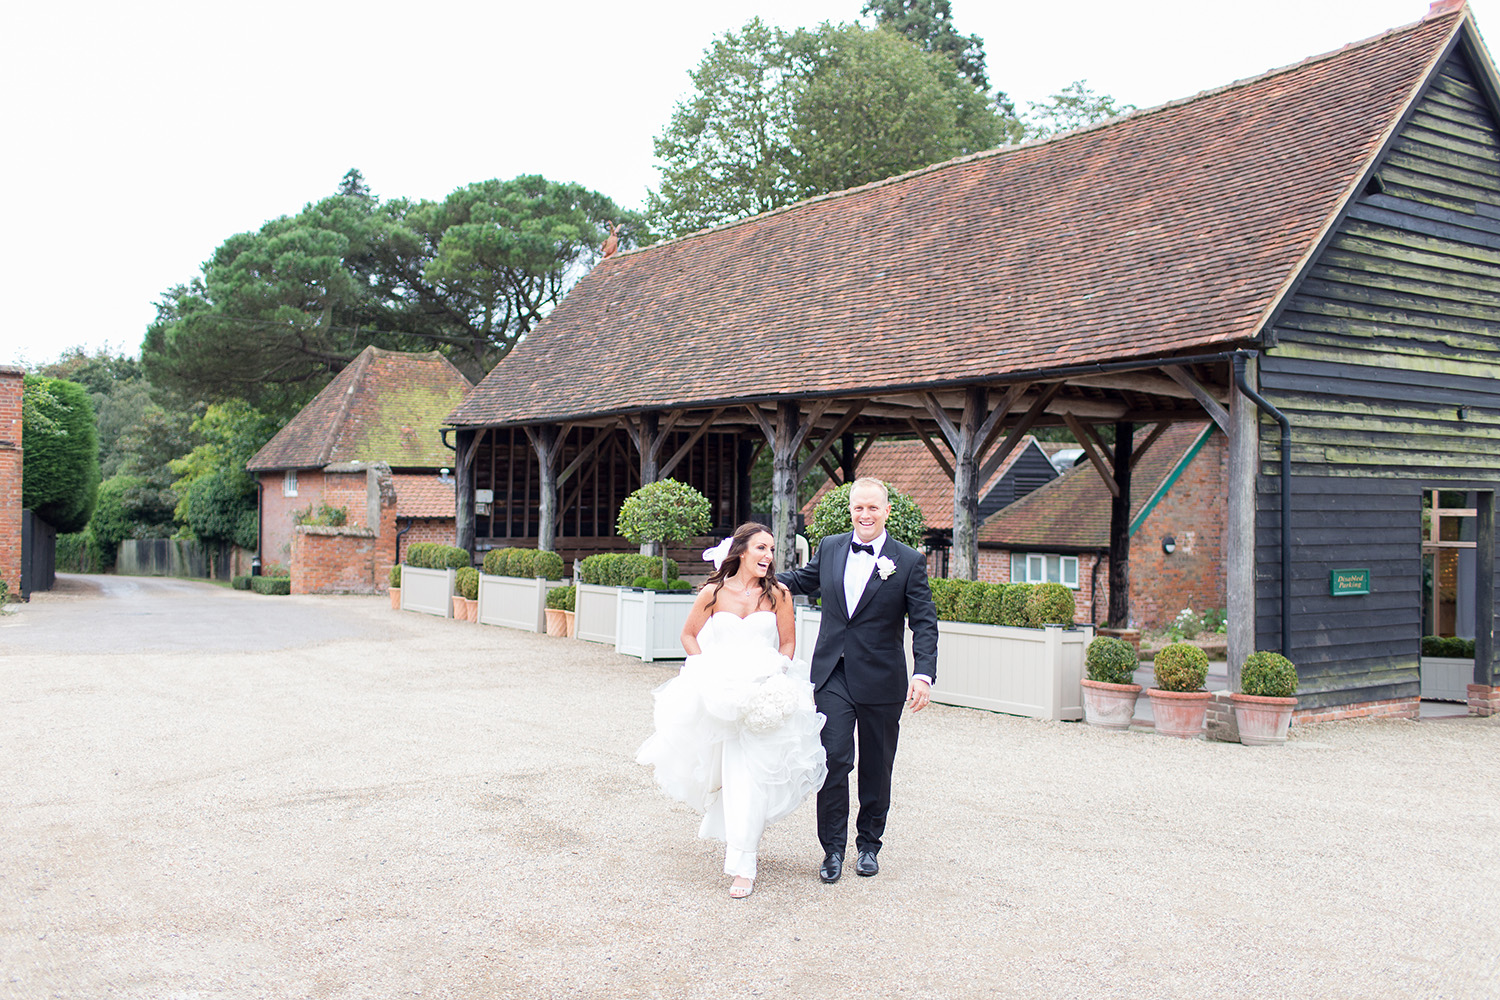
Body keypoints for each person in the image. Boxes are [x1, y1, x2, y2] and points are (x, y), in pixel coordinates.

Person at [636, 523, 828, 899]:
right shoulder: (714, 591)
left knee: (750, 778)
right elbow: (688, 635)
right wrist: (707, 671)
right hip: (721, 698)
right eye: (761, 548)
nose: (768, 557)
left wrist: (776, 679)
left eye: (772, 550)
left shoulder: (779, 595)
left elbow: (787, 644)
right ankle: (739, 846)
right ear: (741, 551)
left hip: (762, 697)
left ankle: (744, 863)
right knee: (727, 776)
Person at [778, 477, 939, 883]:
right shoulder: (831, 546)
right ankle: (832, 849)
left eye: (872, 508)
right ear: (850, 510)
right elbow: (801, 580)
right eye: (858, 508)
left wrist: (923, 674)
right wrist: (753, 576)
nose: (864, 515)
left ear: (887, 511)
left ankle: (868, 844)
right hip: (833, 673)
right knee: (833, 759)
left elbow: (924, 623)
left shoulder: (908, 561)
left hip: (882, 679)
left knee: (876, 764)